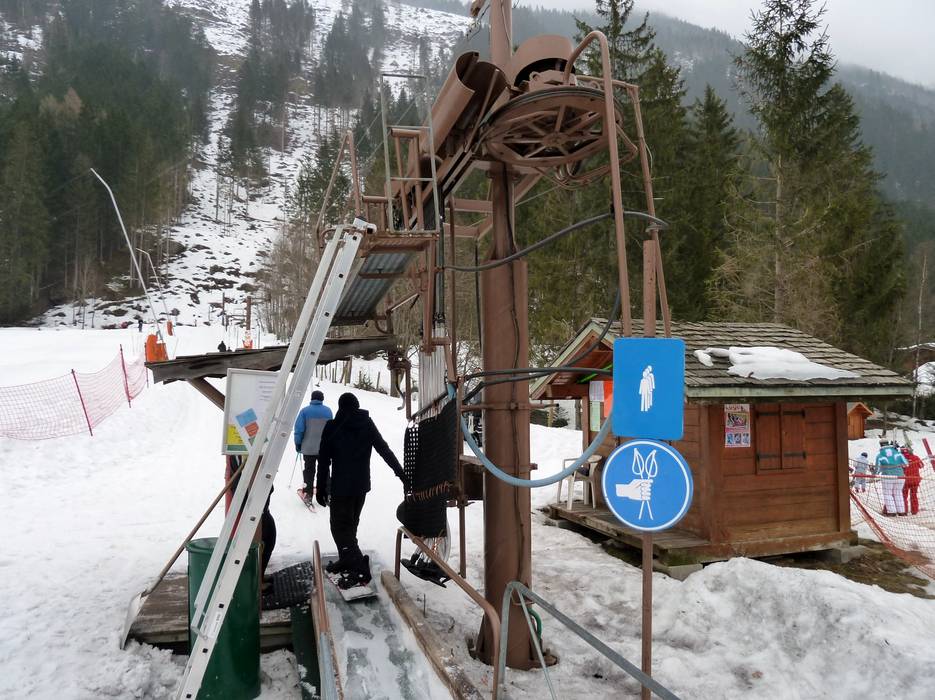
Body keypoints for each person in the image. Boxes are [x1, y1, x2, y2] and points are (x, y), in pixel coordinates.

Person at [316, 392, 405, 586]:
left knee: (339, 527)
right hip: (361, 487)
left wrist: (320, 487)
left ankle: (360, 569)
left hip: (341, 488)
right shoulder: (367, 423)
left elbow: (323, 461)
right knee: (350, 526)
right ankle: (346, 559)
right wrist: (401, 474)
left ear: (340, 407)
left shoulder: (332, 426)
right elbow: (384, 450)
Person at [293, 390, 333, 505]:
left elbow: (299, 430)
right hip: (324, 448)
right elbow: (331, 430)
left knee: (309, 471)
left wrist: (298, 444)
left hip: (308, 448)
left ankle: (308, 494)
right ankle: (328, 494)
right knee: (325, 471)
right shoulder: (328, 411)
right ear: (322, 399)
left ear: (312, 398)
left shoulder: (304, 411)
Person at [875, 441, 907, 516]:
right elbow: (906, 464)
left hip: (887, 476)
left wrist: (875, 474)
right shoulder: (898, 453)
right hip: (900, 476)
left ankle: (892, 511)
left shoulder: (880, 455)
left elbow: (877, 469)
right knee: (898, 493)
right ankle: (901, 511)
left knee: (887, 494)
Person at [901, 446, 923, 515]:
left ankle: (904, 510)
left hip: (905, 480)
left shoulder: (901, 458)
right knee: (914, 495)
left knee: (904, 496)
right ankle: (914, 510)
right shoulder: (916, 457)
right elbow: (921, 465)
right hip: (915, 480)